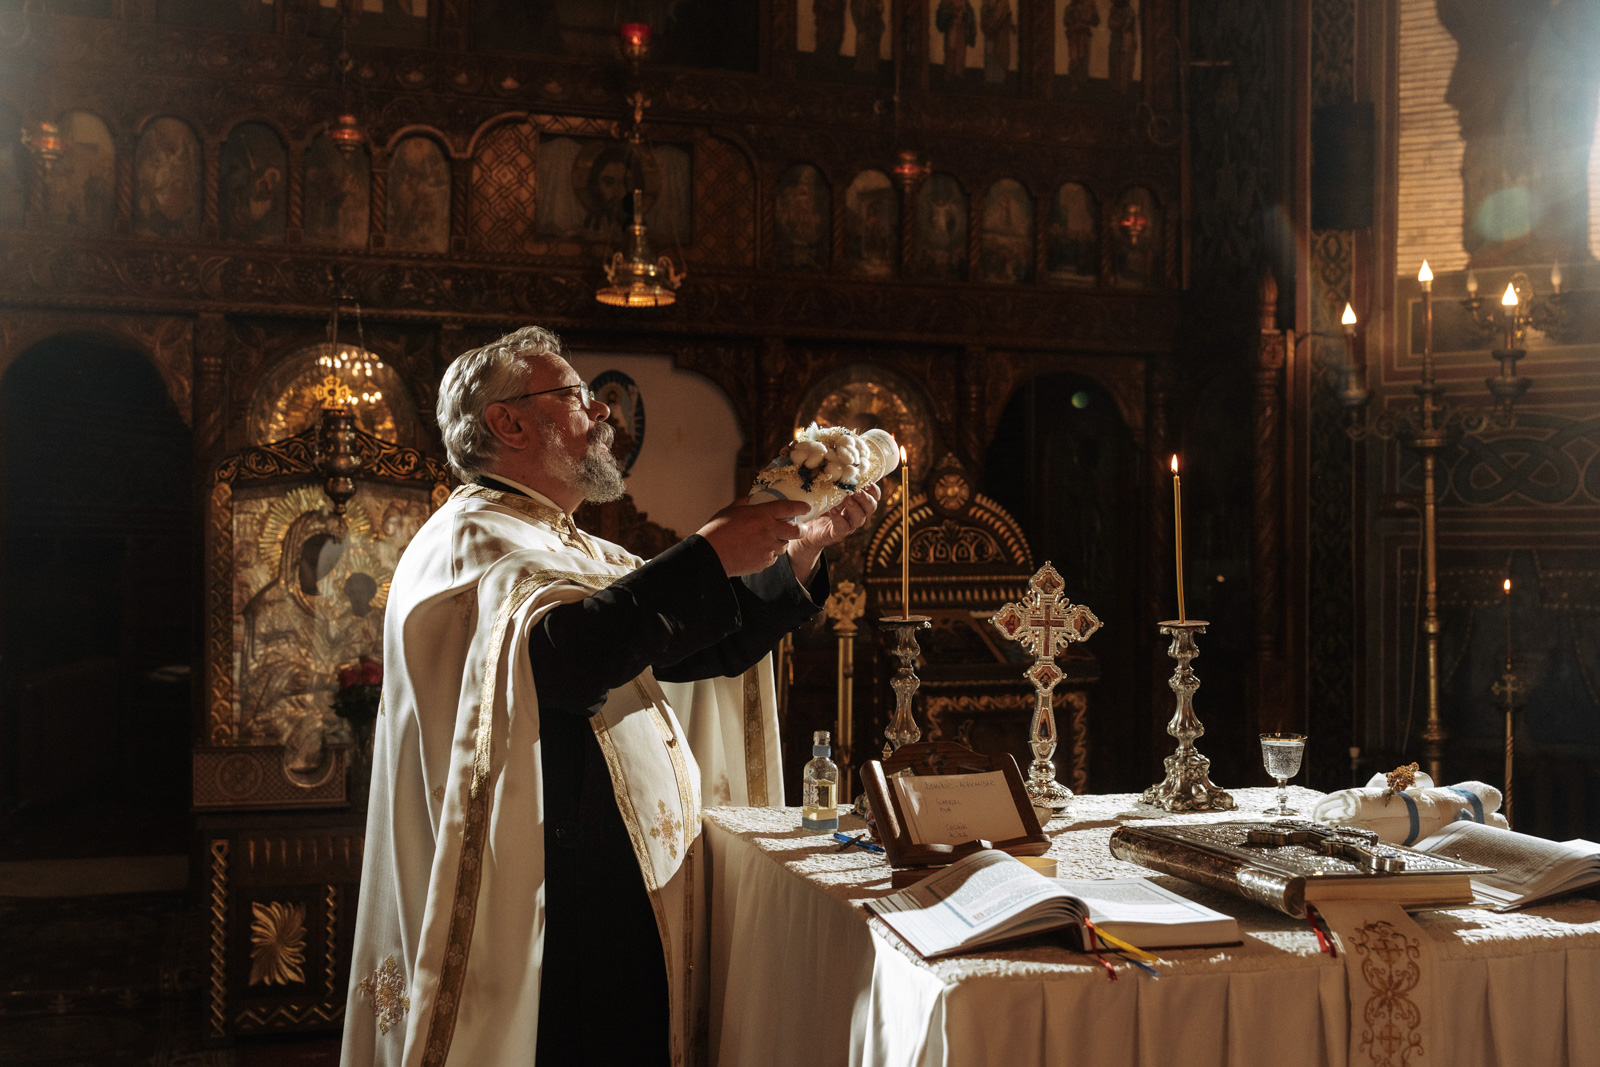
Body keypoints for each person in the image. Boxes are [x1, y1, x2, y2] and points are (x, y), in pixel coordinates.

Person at [340, 326, 879, 1067]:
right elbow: (568, 663)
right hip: (547, 899)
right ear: (507, 422)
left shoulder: (572, 546)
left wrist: (803, 545)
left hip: (617, 887)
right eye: (574, 395)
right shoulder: (467, 542)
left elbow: (698, 651)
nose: (602, 410)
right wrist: (710, 550)